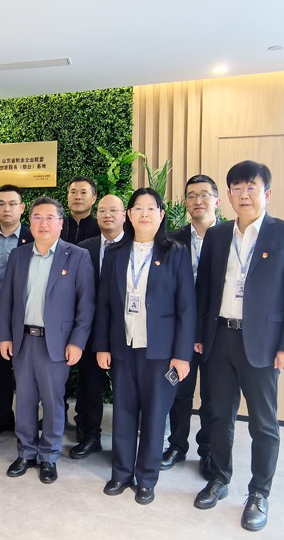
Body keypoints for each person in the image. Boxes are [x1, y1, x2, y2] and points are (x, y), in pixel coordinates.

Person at [193, 161, 284, 532]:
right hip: (220, 338)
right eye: (237, 188)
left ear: (267, 193)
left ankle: (259, 492)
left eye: (251, 187)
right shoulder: (217, 235)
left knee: (263, 422)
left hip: (262, 343)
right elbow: (204, 290)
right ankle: (219, 477)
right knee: (217, 414)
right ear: (228, 195)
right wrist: (199, 334)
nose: (244, 195)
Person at [94, 187, 195, 505]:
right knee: (123, 413)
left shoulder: (176, 252)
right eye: (138, 208)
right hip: (123, 346)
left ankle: (147, 479)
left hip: (160, 352)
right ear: (129, 214)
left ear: (161, 215)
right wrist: (102, 345)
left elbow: (187, 308)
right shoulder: (115, 253)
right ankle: (121, 473)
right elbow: (104, 304)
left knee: (154, 415)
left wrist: (182, 355)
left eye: (151, 208)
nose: (145, 214)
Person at [0, 197, 95, 483]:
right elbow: (7, 301)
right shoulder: (19, 255)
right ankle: (26, 452)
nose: (43, 223)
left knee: (53, 403)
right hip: (23, 340)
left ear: (61, 223)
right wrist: (4, 336)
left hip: (56, 344)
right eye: (37, 217)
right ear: (30, 222)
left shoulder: (76, 256)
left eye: (50, 217)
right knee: (25, 401)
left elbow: (86, 304)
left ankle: (49, 456)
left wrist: (77, 341)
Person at [160, 175, 220, 475]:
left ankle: (207, 450)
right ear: (185, 202)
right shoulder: (172, 240)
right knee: (179, 392)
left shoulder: (228, 237)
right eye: (192, 195)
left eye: (204, 194)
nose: (198, 200)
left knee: (212, 396)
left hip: (216, 332)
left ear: (216, 201)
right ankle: (177, 445)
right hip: (180, 331)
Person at [70, 194, 126, 459]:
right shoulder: (84, 248)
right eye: (102, 211)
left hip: (127, 330)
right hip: (92, 329)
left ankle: (125, 443)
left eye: (113, 210)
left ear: (124, 215)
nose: (107, 215)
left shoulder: (136, 245)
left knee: (126, 388)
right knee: (90, 385)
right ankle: (90, 435)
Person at [0, 185, 33, 438]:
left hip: (27, 314)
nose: (7, 208)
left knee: (27, 370)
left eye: (12, 203)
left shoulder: (34, 237)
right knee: (0, 368)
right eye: (1, 203)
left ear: (22, 208)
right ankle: (2, 417)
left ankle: (27, 421)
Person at [61, 176, 100, 245]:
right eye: (73, 192)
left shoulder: (101, 228)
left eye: (83, 192)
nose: (78, 197)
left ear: (94, 199)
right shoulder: (57, 225)